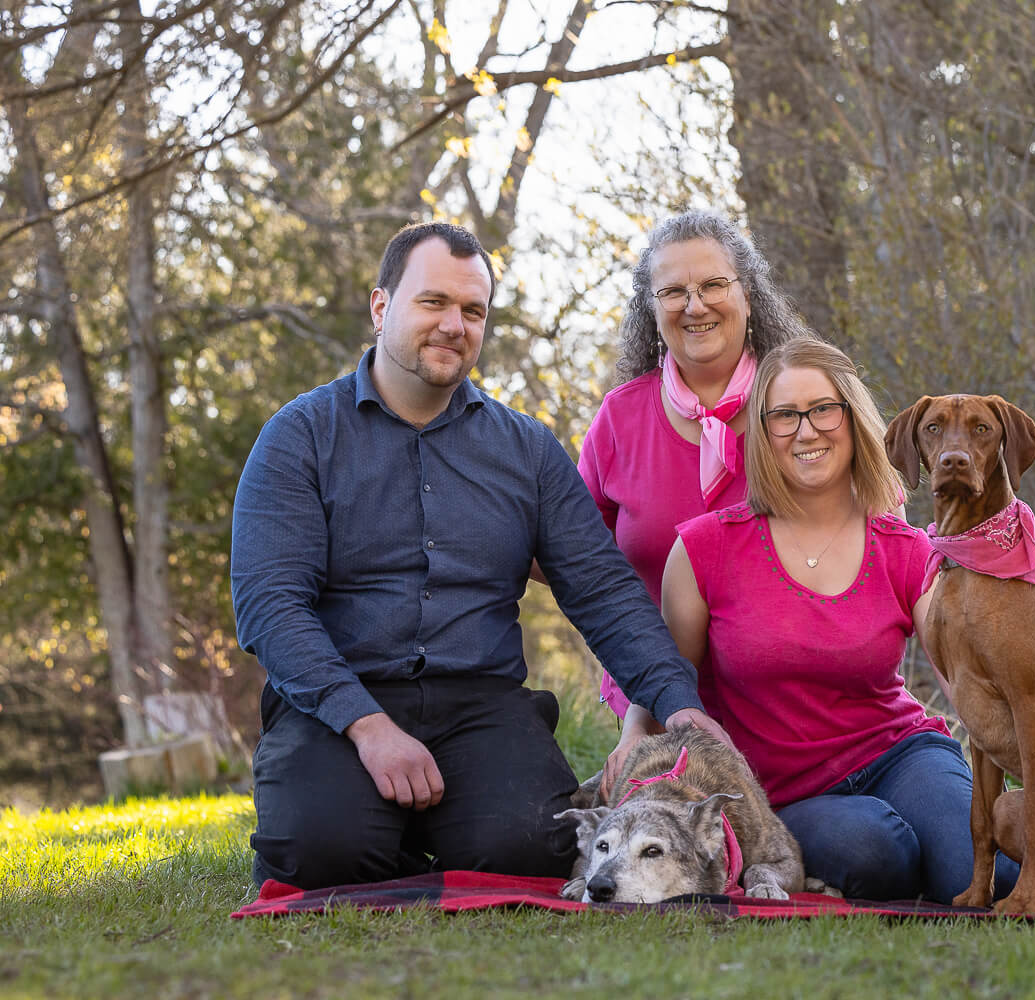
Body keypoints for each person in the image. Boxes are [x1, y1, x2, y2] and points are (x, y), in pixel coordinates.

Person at [230, 221, 729, 890]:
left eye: (472, 310)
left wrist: (678, 701)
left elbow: (603, 590)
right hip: (339, 705)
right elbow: (269, 607)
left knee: (535, 849)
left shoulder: (526, 450)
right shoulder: (299, 437)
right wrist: (369, 728)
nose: (453, 325)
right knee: (323, 854)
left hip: (480, 707)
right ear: (381, 307)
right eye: (433, 302)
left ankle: (427, 830)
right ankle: (360, 820)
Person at [639, 337, 971, 901]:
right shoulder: (704, 549)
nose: (806, 430)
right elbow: (667, 683)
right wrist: (632, 743)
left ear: (852, 419)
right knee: (878, 853)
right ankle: (905, 859)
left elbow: (966, 678)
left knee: (987, 871)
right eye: (785, 415)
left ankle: (955, 857)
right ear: (762, 432)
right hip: (780, 791)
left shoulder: (907, 548)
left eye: (823, 410)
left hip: (901, 753)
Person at [577, 210, 814, 723]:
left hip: (795, 706)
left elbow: (878, 523)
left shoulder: (807, 404)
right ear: (651, 308)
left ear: (748, 294)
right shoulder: (620, 418)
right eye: (673, 292)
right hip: (653, 707)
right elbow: (571, 553)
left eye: (713, 285)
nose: (695, 305)